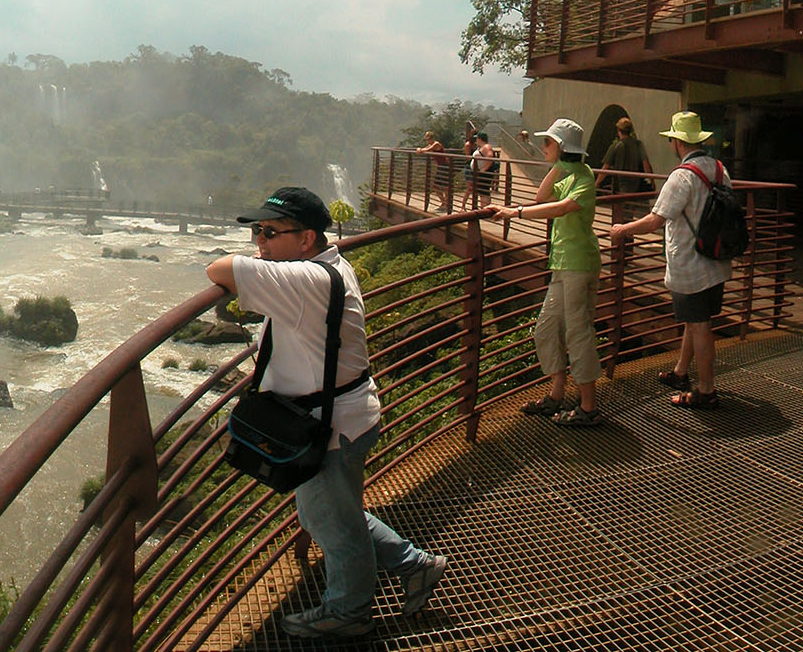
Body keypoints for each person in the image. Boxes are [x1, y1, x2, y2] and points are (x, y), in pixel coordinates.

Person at [217, 186, 442, 638]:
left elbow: (218, 268)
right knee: (332, 513)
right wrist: (269, 259)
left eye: (270, 232)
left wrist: (258, 267)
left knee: (334, 526)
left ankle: (349, 612)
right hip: (340, 416)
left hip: (330, 426)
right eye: (257, 232)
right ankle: (415, 564)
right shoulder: (330, 266)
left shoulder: (306, 281)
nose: (260, 242)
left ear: (306, 240)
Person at [479, 120, 615, 428]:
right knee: (546, 329)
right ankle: (556, 393)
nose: (543, 148)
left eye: (549, 143)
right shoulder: (567, 172)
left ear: (563, 148)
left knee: (578, 332)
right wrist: (558, 161)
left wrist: (516, 212)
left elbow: (561, 208)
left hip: (580, 263)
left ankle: (589, 406)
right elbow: (542, 196)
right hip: (562, 263)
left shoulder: (584, 176)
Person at [601, 112, 743, 405]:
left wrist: (622, 229)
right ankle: (681, 371)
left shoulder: (682, 176)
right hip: (716, 259)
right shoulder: (719, 169)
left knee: (700, 325)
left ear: (676, 142)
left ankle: (706, 391)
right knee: (696, 320)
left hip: (691, 265)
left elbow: (656, 220)